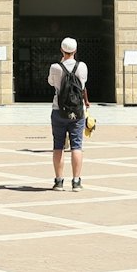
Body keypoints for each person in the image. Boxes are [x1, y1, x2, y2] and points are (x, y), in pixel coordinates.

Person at [48, 36, 89, 192]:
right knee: (77, 146)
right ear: (75, 51)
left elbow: (51, 83)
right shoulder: (82, 66)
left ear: (61, 50)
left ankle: (58, 181)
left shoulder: (55, 67)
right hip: (77, 112)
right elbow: (83, 84)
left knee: (58, 146)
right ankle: (76, 181)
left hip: (58, 109)